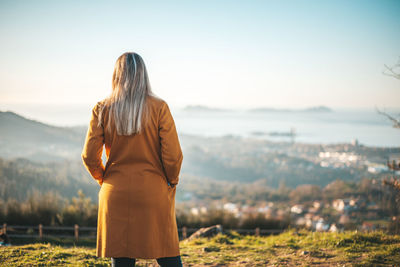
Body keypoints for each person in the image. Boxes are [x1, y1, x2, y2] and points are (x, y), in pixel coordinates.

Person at [81, 52, 183, 267]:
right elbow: (173, 155)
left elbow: (89, 157)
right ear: (143, 74)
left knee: (121, 259)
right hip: (153, 191)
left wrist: (105, 179)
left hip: (114, 192)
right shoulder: (159, 107)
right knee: (168, 256)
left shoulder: (102, 108)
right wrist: (171, 181)